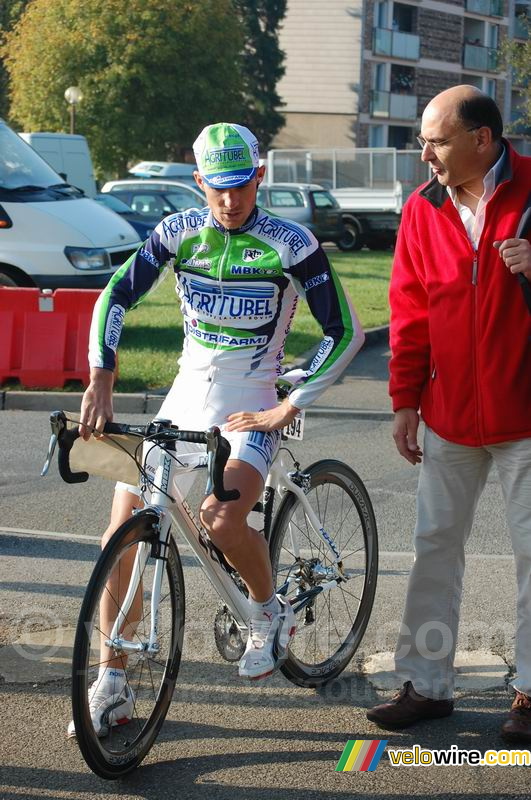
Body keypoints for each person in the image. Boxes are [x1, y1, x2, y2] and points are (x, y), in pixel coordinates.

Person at [68, 122, 364, 737]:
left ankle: (267, 612)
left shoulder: (291, 242)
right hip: (183, 398)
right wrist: (101, 376)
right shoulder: (179, 232)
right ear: (198, 182)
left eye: (241, 186)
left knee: (222, 519)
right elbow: (114, 297)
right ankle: (112, 680)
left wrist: (291, 400)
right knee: (119, 535)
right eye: (217, 189)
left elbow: (345, 333)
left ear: (259, 176)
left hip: (251, 403)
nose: (230, 201)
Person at [366, 86, 531, 741]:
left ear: (482, 140)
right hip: (448, 414)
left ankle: (528, 694)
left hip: (526, 414)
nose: (423, 152)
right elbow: (408, 313)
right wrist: (404, 400)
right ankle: (426, 686)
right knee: (434, 548)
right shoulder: (421, 208)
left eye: (434, 139)